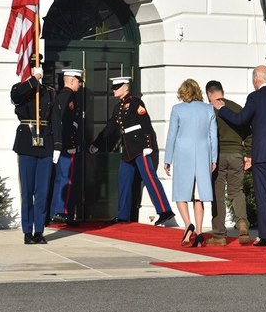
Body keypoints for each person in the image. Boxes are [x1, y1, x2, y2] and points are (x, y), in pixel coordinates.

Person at [212, 65, 266, 247]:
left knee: (262, 193)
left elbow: (241, 119)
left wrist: (222, 109)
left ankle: (265, 237)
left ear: (256, 79)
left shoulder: (255, 97)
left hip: (262, 153)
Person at [88, 76, 175, 226]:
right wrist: (97, 144)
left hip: (140, 147)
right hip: (128, 149)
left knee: (149, 178)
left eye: (117, 87)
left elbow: (145, 123)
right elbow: (110, 128)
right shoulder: (118, 107)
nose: (114, 90)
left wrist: (148, 145)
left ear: (125, 87)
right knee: (123, 180)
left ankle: (165, 211)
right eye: (113, 87)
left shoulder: (135, 102)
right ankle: (123, 215)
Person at [164, 79, 218, 247]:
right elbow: (213, 136)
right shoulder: (208, 109)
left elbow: (172, 135)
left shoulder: (177, 109)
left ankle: (188, 225)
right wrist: (214, 158)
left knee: (181, 192)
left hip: (183, 153)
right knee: (199, 195)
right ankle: (200, 233)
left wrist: (167, 159)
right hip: (203, 153)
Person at [10, 59, 55, 244]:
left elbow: (55, 120)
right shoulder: (19, 89)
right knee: (27, 191)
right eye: (36, 65)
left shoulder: (49, 92)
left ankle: (39, 231)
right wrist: (33, 79)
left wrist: (58, 145)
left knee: (42, 192)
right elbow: (17, 96)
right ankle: (27, 231)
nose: (40, 68)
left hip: (45, 144)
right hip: (27, 142)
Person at [205, 80, 253, 246]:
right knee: (236, 191)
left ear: (209, 94)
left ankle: (219, 235)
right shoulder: (236, 107)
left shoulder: (209, 110)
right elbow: (248, 133)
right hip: (236, 155)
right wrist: (248, 155)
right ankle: (242, 223)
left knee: (217, 194)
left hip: (217, 157)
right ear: (222, 92)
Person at [49, 69, 83, 227]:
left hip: (62, 145)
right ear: (71, 81)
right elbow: (63, 123)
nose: (80, 84)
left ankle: (57, 211)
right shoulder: (67, 96)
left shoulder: (66, 96)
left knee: (61, 178)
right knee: (66, 179)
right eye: (78, 80)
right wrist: (70, 144)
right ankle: (62, 211)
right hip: (66, 146)